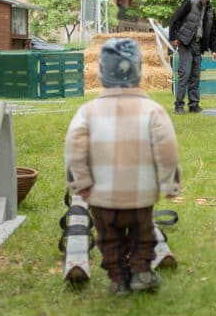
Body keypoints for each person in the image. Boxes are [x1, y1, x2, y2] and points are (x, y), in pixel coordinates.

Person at [64, 38, 181, 295]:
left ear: (101, 72)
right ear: (139, 70)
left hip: (101, 197)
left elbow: (75, 149)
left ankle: (118, 279)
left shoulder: (87, 112)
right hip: (141, 195)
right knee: (142, 235)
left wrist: (80, 183)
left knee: (109, 239)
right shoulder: (153, 111)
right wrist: (169, 184)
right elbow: (167, 149)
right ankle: (141, 272)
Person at [168, 0, 216, 114]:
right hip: (185, 43)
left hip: (199, 45)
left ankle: (193, 105)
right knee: (185, 74)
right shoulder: (190, 2)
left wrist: (214, 49)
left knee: (195, 76)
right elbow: (174, 18)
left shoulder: (211, 9)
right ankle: (179, 105)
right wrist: (172, 37)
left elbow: (214, 31)